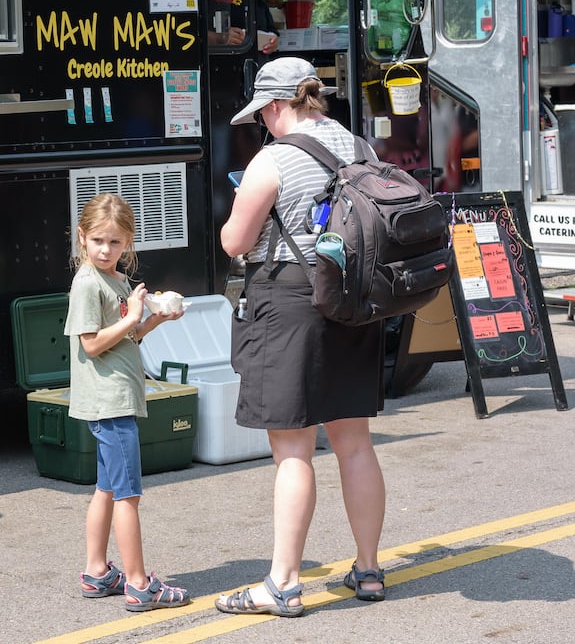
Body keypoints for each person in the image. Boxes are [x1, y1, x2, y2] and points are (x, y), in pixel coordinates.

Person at [215, 56, 386, 618]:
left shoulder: (275, 158)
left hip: (290, 300)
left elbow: (235, 243)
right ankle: (368, 569)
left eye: (262, 113)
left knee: (293, 450)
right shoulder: (360, 147)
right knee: (354, 444)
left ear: (274, 105)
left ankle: (283, 584)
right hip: (353, 301)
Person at [63, 193, 191, 612]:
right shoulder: (87, 283)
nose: (105, 249)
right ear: (82, 237)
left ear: (128, 244)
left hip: (115, 399)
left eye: (115, 242)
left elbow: (128, 339)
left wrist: (153, 318)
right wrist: (132, 314)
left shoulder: (115, 280)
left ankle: (97, 572)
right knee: (128, 495)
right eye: (98, 240)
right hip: (110, 402)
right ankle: (139, 584)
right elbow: (93, 344)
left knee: (107, 488)